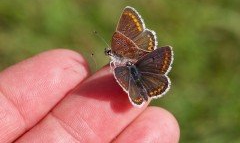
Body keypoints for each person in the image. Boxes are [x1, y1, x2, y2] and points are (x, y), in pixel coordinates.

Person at [0, 49, 180, 142]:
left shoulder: (120, 71)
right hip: (141, 76)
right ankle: (144, 90)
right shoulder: (121, 70)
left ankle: (140, 92)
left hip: (130, 77)